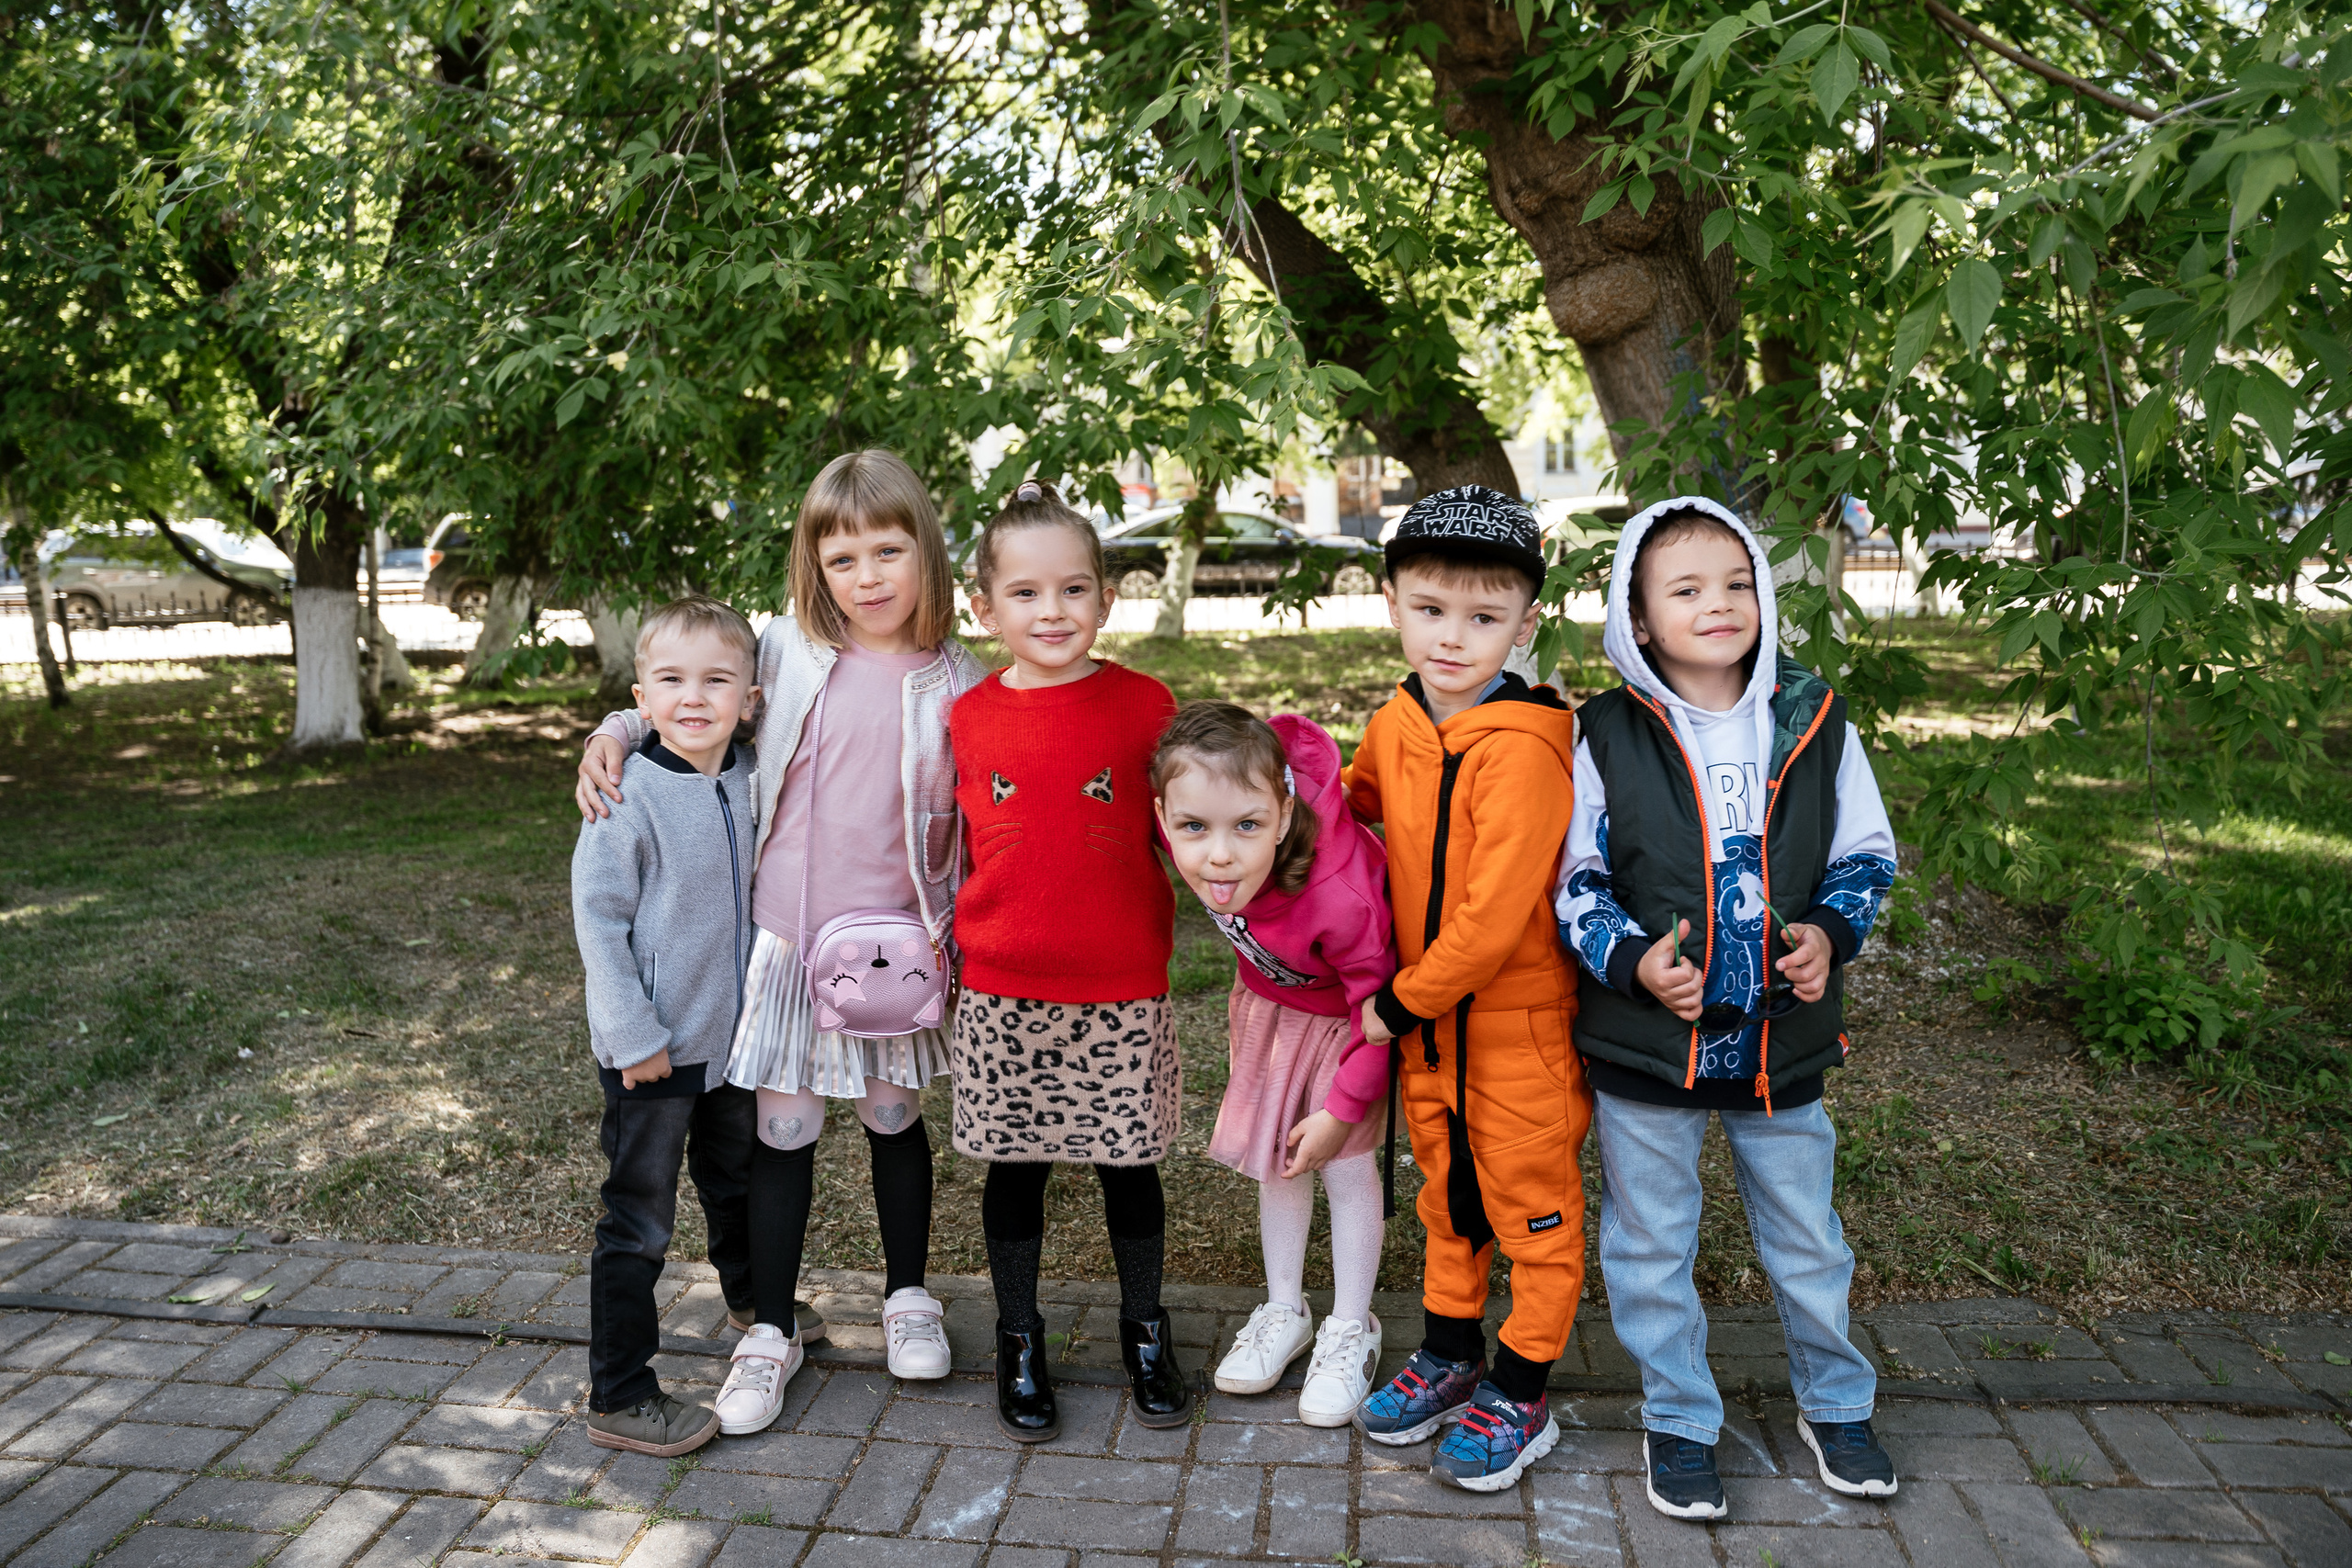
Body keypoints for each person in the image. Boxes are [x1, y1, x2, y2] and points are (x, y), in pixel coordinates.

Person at [577, 450, 984, 1434]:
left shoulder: (958, 681)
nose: (868, 577)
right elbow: (695, 692)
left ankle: (907, 1297)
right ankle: (768, 1330)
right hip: (790, 945)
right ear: (814, 566)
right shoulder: (788, 647)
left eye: (889, 551)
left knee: (894, 1117)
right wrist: (619, 727)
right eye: (842, 559)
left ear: (924, 551)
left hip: (898, 952)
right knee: (782, 1133)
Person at [1554, 496, 1899, 1520]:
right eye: (1686, 589)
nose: (1719, 603)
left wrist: (1830, 936)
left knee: (1808, 1239)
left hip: (1778, 1049)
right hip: (1647, 1051)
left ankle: (1835, 1403)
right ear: (1637, 618)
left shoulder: (1814, 716)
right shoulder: (1602, 733)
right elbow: (1573, 881)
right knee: (1649, 1246)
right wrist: (1630, 965)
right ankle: (1678, 1420)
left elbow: (1866, 857)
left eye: (1738, 582)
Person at [1344, 486, 1589, 1492]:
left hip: (1510, 1025)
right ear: (1393, 603)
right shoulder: (1393, 723)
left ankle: (1522, 1388)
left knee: (1531, 1208)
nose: (1453, 638)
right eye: (1431, 610)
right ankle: (1451, 1354)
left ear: (1523, 625)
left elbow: (1489, 923)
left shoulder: (1529, 751)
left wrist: (1399, 1001)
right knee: (1448, 1200)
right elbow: (1351, 812)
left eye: (1484, 619)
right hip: (1429, 1033)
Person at [948, 479, 1187, 1441]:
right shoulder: (966, 716)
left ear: (1105, 597)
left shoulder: (1144, 705)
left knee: (1127, 1167)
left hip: (1120, 985)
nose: (1053, 612)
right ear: (984, 607)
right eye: (1026, 594)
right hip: (1003, 987)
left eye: (1074, 590)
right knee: (1016, 1171)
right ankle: (1017, 1336)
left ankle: (1143, 1329)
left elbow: (1190, 826)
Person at [1151, 702, 1395, 1427]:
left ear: (1285, 815)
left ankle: (1354, 1327)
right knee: (1278, 1159)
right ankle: (1285, 1307)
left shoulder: (1339, 895)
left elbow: (1378, 1017)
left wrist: (1343, 1108)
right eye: (1193, 828)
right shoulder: (1188, 824)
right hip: (1270, 1010)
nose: (1218, 856)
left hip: (1352, 1026)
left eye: (1246, 827)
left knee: (1345, 1166)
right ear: (1164, 815)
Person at [571, 595, 763, 1456]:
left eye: (717, 680)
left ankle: (756, 1307)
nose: (695, 697)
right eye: (672, 681)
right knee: (639, 1220)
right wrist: (631, 1033)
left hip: (731, 1044)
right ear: (642, 700)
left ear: (749, 697)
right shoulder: (626, 794)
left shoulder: (755, 775)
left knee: (739, 1184)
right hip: (651, 1051)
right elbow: (598, 922)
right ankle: (618, 1391)